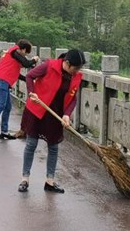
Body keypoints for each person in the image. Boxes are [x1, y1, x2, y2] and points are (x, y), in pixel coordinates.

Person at [18, 48, 86, 193]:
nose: (77, 71)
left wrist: (67, 114)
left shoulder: (75, 77)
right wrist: (31, 93)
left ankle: (50, 181)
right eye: (76, 68)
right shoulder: (49, 66)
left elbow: (73, 99)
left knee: (53, 147)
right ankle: (25, 179)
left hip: (55, 114)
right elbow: (29, 76)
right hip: (37, 109)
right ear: (67, 63)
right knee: (31, 144)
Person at [0, 39, 36, 139]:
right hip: (2, 81)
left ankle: (4, 131)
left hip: (3, 81)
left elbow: (16, 73)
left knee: (7, 107)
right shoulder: (14, 51)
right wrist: (34, 60)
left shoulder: (12, 56)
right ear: (23, 49)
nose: (25, 55)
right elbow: (26, 63)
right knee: (1, 105)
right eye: (25, 53)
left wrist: (28, 78)